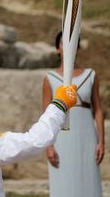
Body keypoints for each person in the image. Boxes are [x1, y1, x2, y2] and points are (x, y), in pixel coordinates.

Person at [42, 31, 104, 197]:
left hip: (87, 138)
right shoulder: (50, 78)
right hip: (61, 140)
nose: (69, 47)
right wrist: (49, 146)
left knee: (89, 182)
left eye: (73, 43)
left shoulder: (90, 75)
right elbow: (46, 116)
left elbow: (98, 110)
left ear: (77, 48)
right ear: (58, 49)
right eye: (64, 43)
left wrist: (101, 142)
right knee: (63, 184)